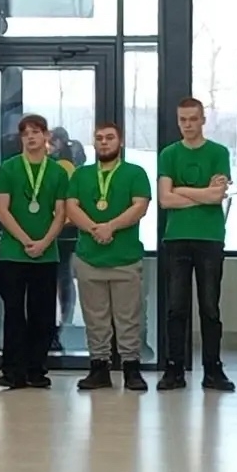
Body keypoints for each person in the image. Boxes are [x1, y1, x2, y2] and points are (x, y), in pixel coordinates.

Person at [65, 122, 151, 391]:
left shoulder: (135, 173)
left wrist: (110, 227)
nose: (104, 142)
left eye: (110, 138)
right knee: (95, 319)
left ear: (120, 142)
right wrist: (95, 229)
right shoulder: (81, 174)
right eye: (99, 138)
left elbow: (140, 206)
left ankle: (131, 369)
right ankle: (99, 368)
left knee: (129, 318)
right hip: (89, 258)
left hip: (125, 259)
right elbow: (71, 207)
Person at [156, 97, 234, 392]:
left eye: (193, 119)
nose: (187, 125)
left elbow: (217, 196)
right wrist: (202, 193)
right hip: (176, 238)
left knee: (210, 308)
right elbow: (165, 199)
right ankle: (174, 369)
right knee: (176, 308)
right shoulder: (169, 154)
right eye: (183, 120)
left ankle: (213, 369)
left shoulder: (218, 152)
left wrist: (182, 190)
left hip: (210, 238)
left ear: (203, 120)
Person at [0, 114, 68, 389]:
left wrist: (44, 242)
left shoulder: (57, 172)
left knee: (43, 314)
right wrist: (26, 241)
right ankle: (12, 370)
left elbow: (61, 213)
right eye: (25, 133)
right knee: (14, 313)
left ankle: (37, 369)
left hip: (46, 254)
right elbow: (2, 210)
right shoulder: (8, 168)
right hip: (13, 253)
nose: (31, 137)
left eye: (36, 132)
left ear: (46, 136)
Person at [49, 127, 86, 349]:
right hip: (68, 229)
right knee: (63, 277)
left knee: (60, 276)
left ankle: (62, 324)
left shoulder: (62, 165)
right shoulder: (73, 162)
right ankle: (65, 321)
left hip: (62, 229)